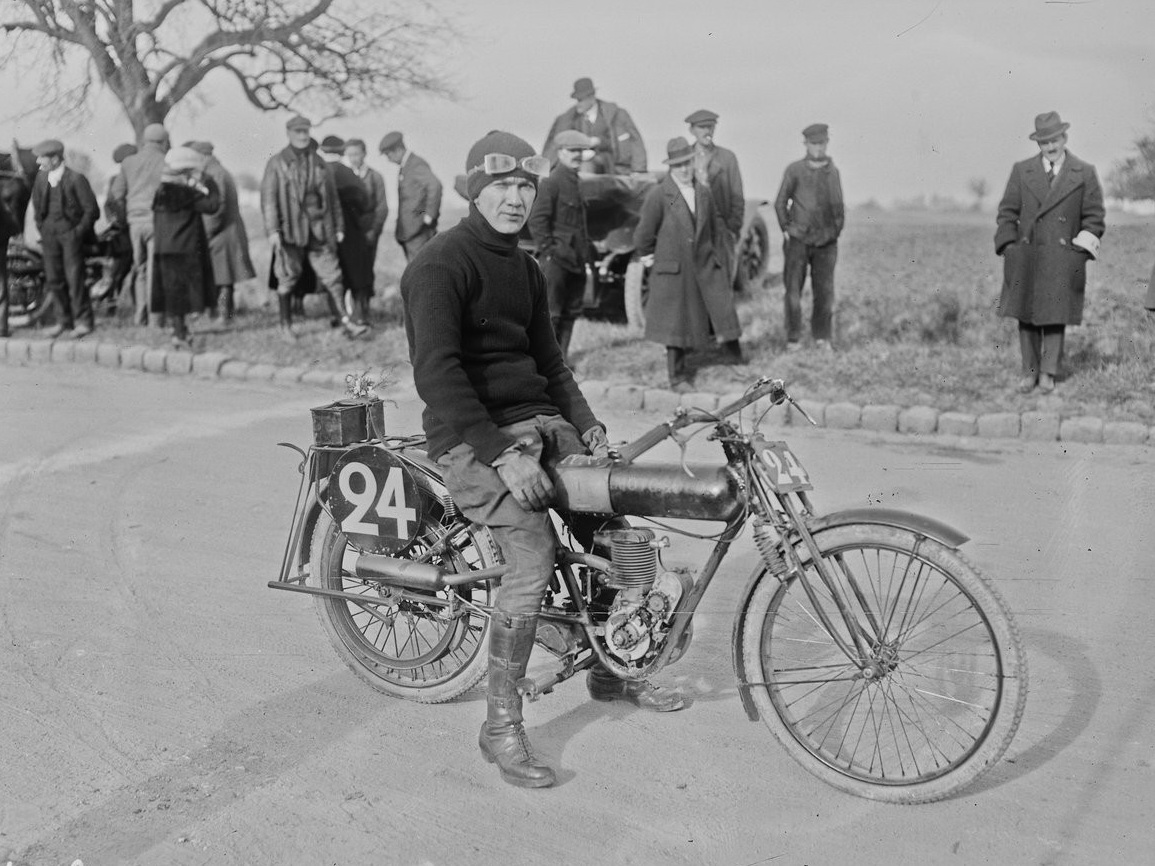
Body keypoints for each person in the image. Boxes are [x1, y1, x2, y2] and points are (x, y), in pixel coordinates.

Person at [402, 130, 684, 790]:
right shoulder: (439, 266)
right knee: (530, 558)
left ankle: (611, 668)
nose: (515, 197)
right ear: (473, 189)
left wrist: (587, 429)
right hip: (470, 436)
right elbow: (437, 375)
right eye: (500, 185)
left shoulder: (524, 267)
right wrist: (501, 456)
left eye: (525, 186)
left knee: (612, 531)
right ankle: (500, 725)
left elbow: (551, 365)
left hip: (541, 424)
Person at [995, 111, 1105, 394]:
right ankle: (1029, 372)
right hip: (1027, 256)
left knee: (1055, 316)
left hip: (1063, 257)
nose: (1051, 147)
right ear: (1038, 145)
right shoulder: (1022, 171)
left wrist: (1079, 252)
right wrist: (1009, 248)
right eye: (1045, 143)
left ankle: (1048, 373)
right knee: (1027, 315)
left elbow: (1094, 217)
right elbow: (1007, 212)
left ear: (1064, 137)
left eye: (1055, 140)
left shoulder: (1084, 172)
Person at [633, 137, 742, 392]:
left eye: (687, 163)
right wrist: (651, 259)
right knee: (676, 323)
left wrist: (714, 256)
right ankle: (677, 376)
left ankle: (732, 356)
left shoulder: (703, 192)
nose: (684, 169)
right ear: (670, 167)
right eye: (678, 165)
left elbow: (714, 227)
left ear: (693, 161)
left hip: (704, 263)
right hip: (674, 270)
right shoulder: (660, 195)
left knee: (721, 306)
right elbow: (643, 235)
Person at [260, 116, 367, 339]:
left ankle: (345, 322)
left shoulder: (320, 164)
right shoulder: (277, 163)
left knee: (333, 277)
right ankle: (285, 325)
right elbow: (269, 200)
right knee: (287, 276)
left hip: (319, 229)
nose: (302, 136)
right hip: (289, 230)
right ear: (289, 133)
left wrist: (337, 226)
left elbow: (333, 199)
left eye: (305, 131)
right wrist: (272, 231)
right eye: (298, 132)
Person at [774, 123, 845, 351]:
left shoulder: (833, 172)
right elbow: (780, 202)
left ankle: (821, 337)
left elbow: (838, 207)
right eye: (814, 143)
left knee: (824, 293)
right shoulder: (794, 170)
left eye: (822, 143)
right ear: (806, 144)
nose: (818, 148)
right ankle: (793, 339)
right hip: (798, 241)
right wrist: (787, 229)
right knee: (793, 291)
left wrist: (834, 232)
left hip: (826, 243)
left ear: (827, 143)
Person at [527, 129, 593, 362]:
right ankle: (547, 364)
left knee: (570, 313)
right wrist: (551, 250)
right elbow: (537, 220)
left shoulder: (576, 182)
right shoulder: (552, 183)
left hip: (575, 260)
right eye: (572, 151)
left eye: (580, 152)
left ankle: (562, 362)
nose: (577, 156)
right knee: (552, 314)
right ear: (561, 153)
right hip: (557, 261)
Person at [151, 146, 219, 350]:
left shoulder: (161, 191)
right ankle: (180, 333)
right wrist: (208, 181)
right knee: (182, 293)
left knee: (172, 292)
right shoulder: (186, 193)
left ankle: (177, 330)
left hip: (164, 247)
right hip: (184, 247)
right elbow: (212, 205)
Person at [30, 139, 99, 339]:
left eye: (42, 157)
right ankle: (63, 321)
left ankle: (84, 321)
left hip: (71, 236)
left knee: (75, 278)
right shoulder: (41, 179)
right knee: (54, 278)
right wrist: (42, 228)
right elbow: (36, 206)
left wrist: (77, 233)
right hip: (49, 235)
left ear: (55, 159)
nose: (38, 162)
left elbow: (91, 210)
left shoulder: (76, 178)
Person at [189, 141, 254, 323]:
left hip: (223, 233)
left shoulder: (215, 173)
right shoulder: (217, 171)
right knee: (222, 276)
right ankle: (223, 314)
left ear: (202, 156)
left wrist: (206, 233)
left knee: (224, 277)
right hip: (224, 232)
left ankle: (225, 315)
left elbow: (218, 207)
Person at [111, 122, 169, 325]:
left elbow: (117, 193)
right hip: (157, 221)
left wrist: (128, 210)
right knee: (155, 269)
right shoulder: (166, 162)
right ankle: (155, 319)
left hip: (135, 222)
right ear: (163, 141)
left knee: (140, 268)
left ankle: (139, 316)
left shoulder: (128, 163)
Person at [319, 134, 374, 325]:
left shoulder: (318, 171)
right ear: (342, 152)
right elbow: (365, 202)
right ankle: (358, 316)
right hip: (350, 230)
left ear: (322, 151)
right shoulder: (348, 173)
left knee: (333, 274)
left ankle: (337, 315)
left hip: (324, 230)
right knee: (356, 273)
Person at [686, 109, 744, 284]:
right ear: (692, 131)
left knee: (722, 280)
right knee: (692, 282)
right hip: (691, 227)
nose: (707, 132)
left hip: (720, 227)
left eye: (710, 127)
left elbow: (737, 195)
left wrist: (733, 227)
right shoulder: (683, 158)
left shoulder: (727, 158)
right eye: (701, 127)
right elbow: (672, 195)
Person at [543, 77, 647, 175]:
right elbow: (553, 147)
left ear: (591, 97)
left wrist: (639, 170)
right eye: (577, 100)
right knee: (585, 167)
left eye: (581, 100)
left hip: (612, 167)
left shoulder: (617, 115)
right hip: (579, 165)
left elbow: (635, 142)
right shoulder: (567, 119)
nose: (578, 104)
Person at [379, 131, 442, 261]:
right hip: (410, 231)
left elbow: (435, 185)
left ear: (397, 150)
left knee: (421, 272)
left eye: (388, 154)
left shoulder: (415, 164)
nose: (388, 159)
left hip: (418, 231)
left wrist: (429, 215)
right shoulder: (406, 166)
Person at [344, 137, 389, 286]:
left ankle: (364, 306)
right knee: (349, 268)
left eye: (356, 154)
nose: (353, 158)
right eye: (350, 155)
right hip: (349, 232)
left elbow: (382, 208)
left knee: (367, 267)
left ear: (364, 154)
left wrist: (374, 230)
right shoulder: (345, 176)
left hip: (368, 230)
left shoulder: (375, 177)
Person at [100, 143, 137, 317]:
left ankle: (112, 305)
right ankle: (112, 306)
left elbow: (108, 206)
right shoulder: (121, 177)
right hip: (125, 231)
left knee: (121, 272)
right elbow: (112, 203)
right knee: (121, 272)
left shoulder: (115, 177)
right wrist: (121, 220)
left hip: (123, 229)